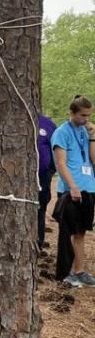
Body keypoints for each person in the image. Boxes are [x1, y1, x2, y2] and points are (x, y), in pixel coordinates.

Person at [52, 95, 95, 287]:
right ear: (72, 113)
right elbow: (61, 163)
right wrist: (73, 186)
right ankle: (65, 273)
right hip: (71, 190)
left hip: (88, 188)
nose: (86, 119)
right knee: (67, 232)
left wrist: (93, 136)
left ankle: (80, 271)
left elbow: (93, 160)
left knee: (81, 232)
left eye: (89, 115)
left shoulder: (86, 132)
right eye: (83, 115)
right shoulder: (62, 132)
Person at [37, 112, 57, 250]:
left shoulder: (48, 124)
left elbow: (55, 149)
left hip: (43, 176)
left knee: (40, 208)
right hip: (15, 177)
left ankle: (38, 241)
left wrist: (50, 170)